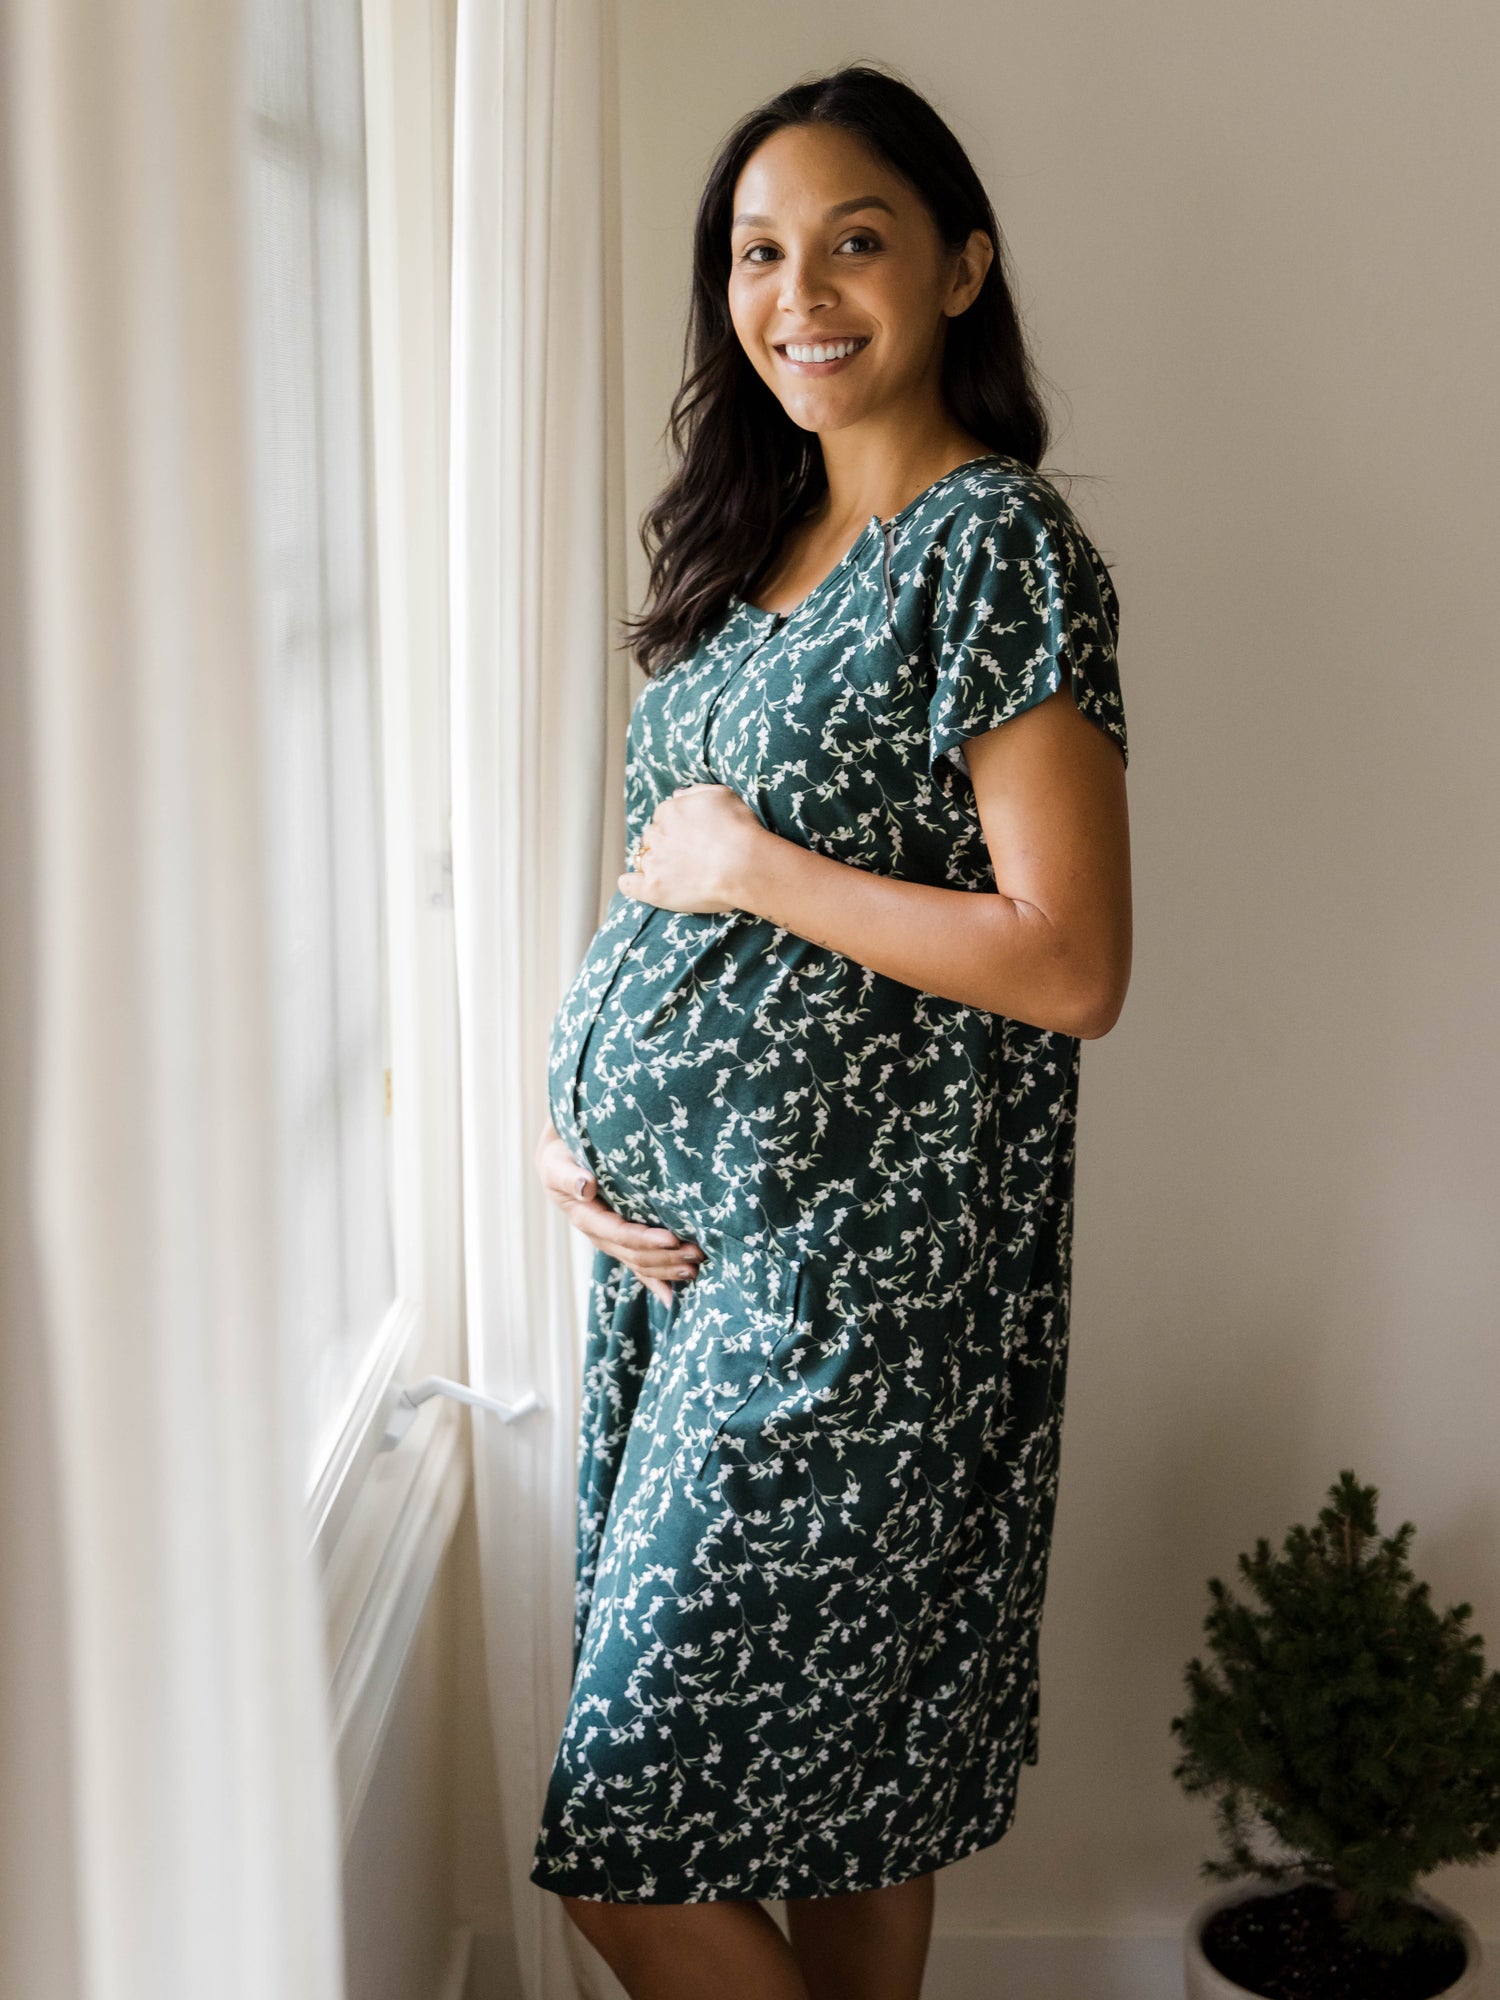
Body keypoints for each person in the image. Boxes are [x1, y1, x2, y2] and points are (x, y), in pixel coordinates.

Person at [528, 61, 1132, 2000]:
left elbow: (1071, 961)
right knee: (849, 1788)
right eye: (759, 250)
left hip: (862, 1291)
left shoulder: (995, 549)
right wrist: (572, 1116)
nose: (799, 288)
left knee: (628, 1838)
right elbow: (661, 893)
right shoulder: (739, 562)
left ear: (963, 265)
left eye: (854, 240)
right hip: (695, 1285)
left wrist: (757, 865)